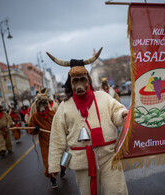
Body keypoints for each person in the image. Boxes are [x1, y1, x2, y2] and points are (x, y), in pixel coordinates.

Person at [47, 47, 129, 195]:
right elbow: (57, 138)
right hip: (82, 162)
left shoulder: (103, 97)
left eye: (82, 80)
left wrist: (122, 114)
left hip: (108, 156)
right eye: (75, 80)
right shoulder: (64, 107)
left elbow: (116, 111)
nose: (79, 84)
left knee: (117, 191)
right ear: (70, 83)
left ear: (88, 81)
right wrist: (54, 165)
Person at [28, 88, 66, 189]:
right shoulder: (35, 116)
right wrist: (35, 129)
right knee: (48, 162)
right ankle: (52, 180)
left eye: (44, 103)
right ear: (37, 104)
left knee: (62, 158)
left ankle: (63, 169)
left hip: (56, 140)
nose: (42, 107)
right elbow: (30, 130)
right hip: (45, 143)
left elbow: (60, 124)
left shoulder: (52, 113)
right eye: (40, 104)